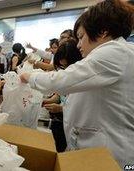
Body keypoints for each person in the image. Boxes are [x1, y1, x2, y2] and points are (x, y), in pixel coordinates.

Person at [20, 0, 134, 166]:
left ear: (102, 31)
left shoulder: (115, 52)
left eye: (81, 37)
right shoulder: (118, 53)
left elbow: (64, 80)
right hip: (94, 147)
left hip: (110, 153)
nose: (79, 45)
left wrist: (29, 77)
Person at [41, 39, 82, 152]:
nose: (64, 71)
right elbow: (59, 95)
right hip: (62, 119)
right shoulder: (65, 75)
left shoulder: (83, 80)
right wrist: (46, 101)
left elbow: (80, 109)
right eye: (61, 68)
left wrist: (60, 108)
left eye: (66, 67)